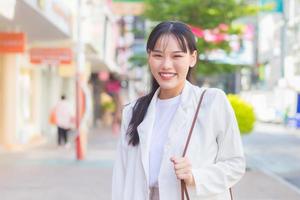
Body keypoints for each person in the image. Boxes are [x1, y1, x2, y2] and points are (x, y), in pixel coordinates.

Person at [112, 21, 245, 200]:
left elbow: (235, 164)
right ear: (149, 56)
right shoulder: (133, 112)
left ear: (192, 58)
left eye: (177, 56)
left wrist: (195, 177)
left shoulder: (212, 102)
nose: (166, 65)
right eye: (158, 55)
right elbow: (121, 176)